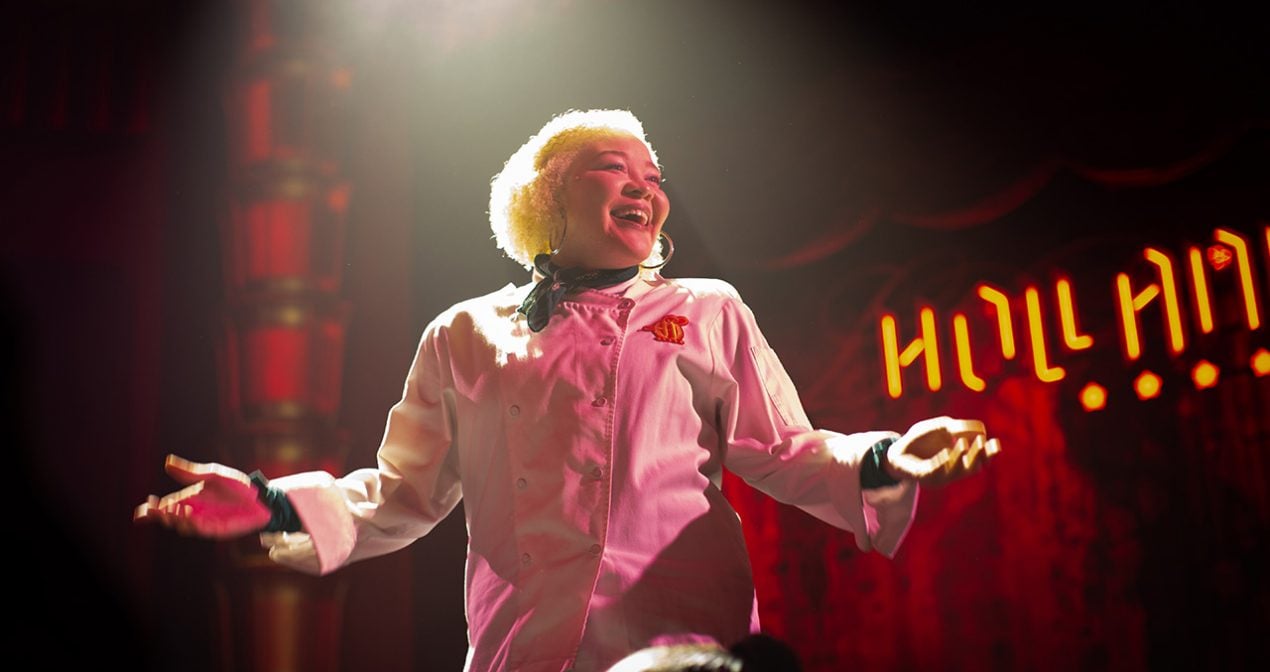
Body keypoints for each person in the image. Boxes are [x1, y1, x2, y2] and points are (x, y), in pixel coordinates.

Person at [136, 109, 1000, 672]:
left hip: (684, 645)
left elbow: (784, 450)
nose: (645, 186)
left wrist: (885, 455)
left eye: (654, 175)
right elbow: (400, 492)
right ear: (545, 194)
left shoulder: (706, 309)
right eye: (613, 166)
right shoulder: (464, 334)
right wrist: (271, 503)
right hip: (526, 652)